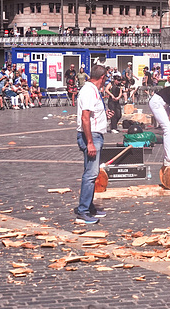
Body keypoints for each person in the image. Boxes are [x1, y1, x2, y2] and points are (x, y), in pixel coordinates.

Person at [75, 64, 114, 225]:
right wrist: (90, 142)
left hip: (95, 135)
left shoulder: (93, 91)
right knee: (90, 175)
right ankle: (83, 210)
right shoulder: (89, 91)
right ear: (102, 77)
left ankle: (88, 206)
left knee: (91, 172)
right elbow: (85, 118)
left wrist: (104, 114)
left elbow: (92, 114)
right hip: (91, 137)